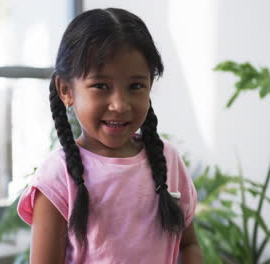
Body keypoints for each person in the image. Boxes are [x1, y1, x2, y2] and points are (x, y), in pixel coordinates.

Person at [17, 8, 204, 264]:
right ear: (66, 90)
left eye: (135, 86)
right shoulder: (57, 177)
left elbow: (188, 245)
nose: (119, 104)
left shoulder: (168, 160)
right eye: (101, 86)